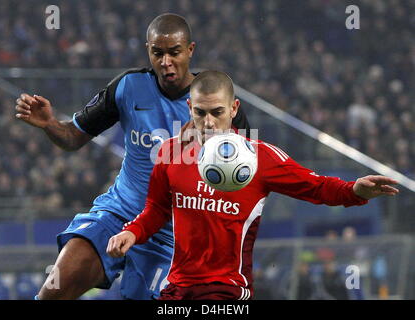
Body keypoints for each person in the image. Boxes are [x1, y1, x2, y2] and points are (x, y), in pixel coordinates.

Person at [14, 14, 250, 300]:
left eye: (174, 52)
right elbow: (74, 137)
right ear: (148, 51)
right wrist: (50, 124)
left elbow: (242, 184)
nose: (166, 62)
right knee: (56, 285)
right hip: (118, 213)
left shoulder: (217, 104)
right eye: (157, 53)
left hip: (174, 238)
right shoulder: (128, 87)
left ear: (190, 50)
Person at [107, 70, 399, 300]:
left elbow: (316, 187)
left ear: (234, 108)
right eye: (200, 113)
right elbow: (156, 209)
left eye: (217, 112)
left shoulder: (261, 157)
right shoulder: (170, 153)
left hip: (228, 290)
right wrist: (132, 232)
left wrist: (354, 191)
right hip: (178, 288)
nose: (208, 122)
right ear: (189, 108)